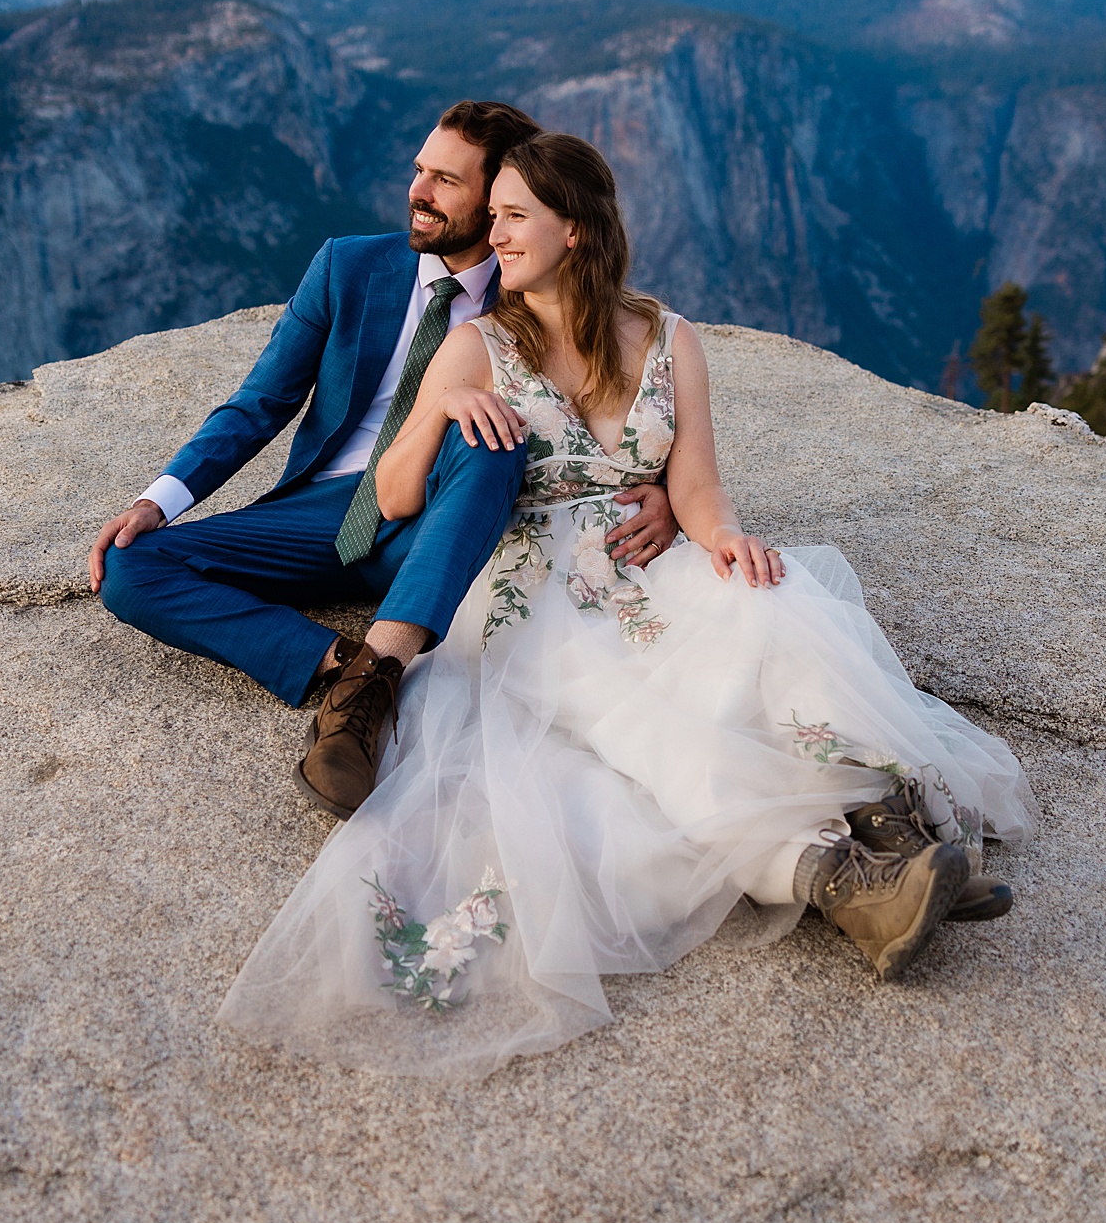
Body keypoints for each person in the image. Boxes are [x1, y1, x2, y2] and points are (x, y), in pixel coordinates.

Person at [217, 132, 1037, 1080]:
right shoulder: (476, 342)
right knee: (642, 726)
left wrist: (724, 538)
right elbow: (396, 500)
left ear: (576, 230)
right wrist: (441, 413)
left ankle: (896, 835)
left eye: (516, 215)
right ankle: (847, 885)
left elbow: (696, 485)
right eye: (496, 215)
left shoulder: (666, 336)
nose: (496, 231)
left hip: (649, 557)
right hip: (534, 587)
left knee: (774, 611)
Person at [90, 102, 679, 819]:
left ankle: (367, 696)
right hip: (326, 509)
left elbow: (617, 402)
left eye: (446, 181)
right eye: (419, 171)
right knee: (129, 566)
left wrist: (663, 491)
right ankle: (353, 671)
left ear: (499, 201)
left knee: (488, 432)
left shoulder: (537, 282)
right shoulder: (347, 266)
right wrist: (159, 500)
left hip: (451, 515)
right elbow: (259, 404)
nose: (418, 192)